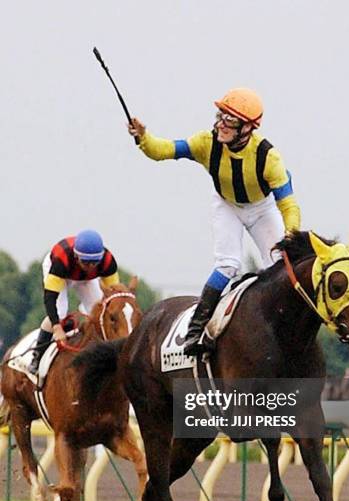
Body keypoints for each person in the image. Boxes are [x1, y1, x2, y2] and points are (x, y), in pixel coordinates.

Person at [128, 87, 301, 355]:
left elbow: (288, 205)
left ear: (247, 128)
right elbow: (164, 150)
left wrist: (290, 234)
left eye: (230, 120)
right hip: (226, 205)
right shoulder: (206, 143)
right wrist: (143, 137)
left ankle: (287, 328)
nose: (221, 124)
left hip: (262, 209)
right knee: (228, 264)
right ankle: (196, 329)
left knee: (282, 265)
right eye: (221, 115)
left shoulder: (268, 157)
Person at [28, 230, 120, 375]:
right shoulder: (61, 260)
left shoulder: (108, 262)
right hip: (61, 273)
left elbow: (115, 297)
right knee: (60, 312)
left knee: (98, 312)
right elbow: (50, 299)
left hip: (86, 279)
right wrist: (57, 328)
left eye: (94, 262)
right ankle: (37, 357)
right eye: (85, 262)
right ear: (76, 256)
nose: (90, 266)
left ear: (100, 258)